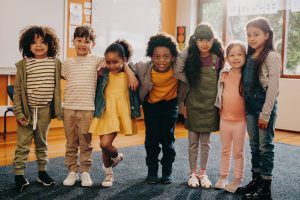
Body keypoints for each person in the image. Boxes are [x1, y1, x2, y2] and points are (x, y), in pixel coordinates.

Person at [62, 26, 138, 187]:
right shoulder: (67, 63)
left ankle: (85, 172)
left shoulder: (97, 61)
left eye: (87, 41)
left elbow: (118, 61)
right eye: (79, 40)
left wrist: (129, 72)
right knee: (71, 142)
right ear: (73, 41)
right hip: (77, 109)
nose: (83, 44)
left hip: (91, 109)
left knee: (86, 143)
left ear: (93, 44)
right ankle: (73, 171)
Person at [13, 26, 63, 192]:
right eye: (34, 42)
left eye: (43, 42)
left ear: (50, 45)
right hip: (27, 112)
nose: (39, 45)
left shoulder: (55, 63)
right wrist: (19, 113)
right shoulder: (23, 65)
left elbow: (72, 73)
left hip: (44, 111)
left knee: (42, 143)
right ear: (27, 46)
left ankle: (42, 172)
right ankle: (19, 175)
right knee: (23, 144)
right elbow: (18, 92)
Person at [236, 17, 281, 200]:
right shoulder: (249, 56)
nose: (252, 38)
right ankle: (255, 180)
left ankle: (266, 186)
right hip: (250, 107)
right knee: (254, 146)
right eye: (248, 35)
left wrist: (265, 113)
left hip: (264, 107)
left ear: (267, 35)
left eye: (256, 34)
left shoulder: (271, 56)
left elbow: (273, 88)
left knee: (265, 146)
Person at [88, 39, 141, 187]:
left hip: (118, 113)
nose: (111, 66)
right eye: (108, 62)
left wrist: (126, 68)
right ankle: (109, 175)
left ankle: (116, 156)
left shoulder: (130, 73)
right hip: (104, 111)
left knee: (105, 144)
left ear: (124, 60)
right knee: (104, 146)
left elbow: (135, 81)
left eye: (115, 62)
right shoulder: (104, 73)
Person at [178, 23, 224, 188]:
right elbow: (178, 72)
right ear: (195, 40)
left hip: (211, 106)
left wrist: (221, 105)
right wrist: (183, 104)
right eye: (201, 40)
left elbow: (222, 83)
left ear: (213, 40)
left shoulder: (217, 58)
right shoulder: (190, 57)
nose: (205, 43)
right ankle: (192, 173)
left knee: (206, 143)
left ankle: (202, 173)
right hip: (193, 104)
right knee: (192, 142)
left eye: (208, 40)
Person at [133, 33, 181, 184]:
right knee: (152, 139)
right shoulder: (145, 68)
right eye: (157, 56)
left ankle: (167, 171)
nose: (161, 60)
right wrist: (130, 75)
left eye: (166, 56)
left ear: (173, 57)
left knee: (168, 139)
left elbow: (187, 55)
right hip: (151, 106)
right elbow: (126, 65)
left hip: (170, 105)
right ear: (151, 57)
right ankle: (152, 171)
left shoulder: (178, 68)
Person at [214, 41, 247, 193]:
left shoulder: (247, 75)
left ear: (245, 56)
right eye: (232, 55)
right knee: (225, 150)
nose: (236, 58)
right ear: (227, 58)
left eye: (240, 54)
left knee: (239, 152)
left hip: (240, 121)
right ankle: (223, 177)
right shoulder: (224, 73)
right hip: (224, 119)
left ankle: (238, 180)